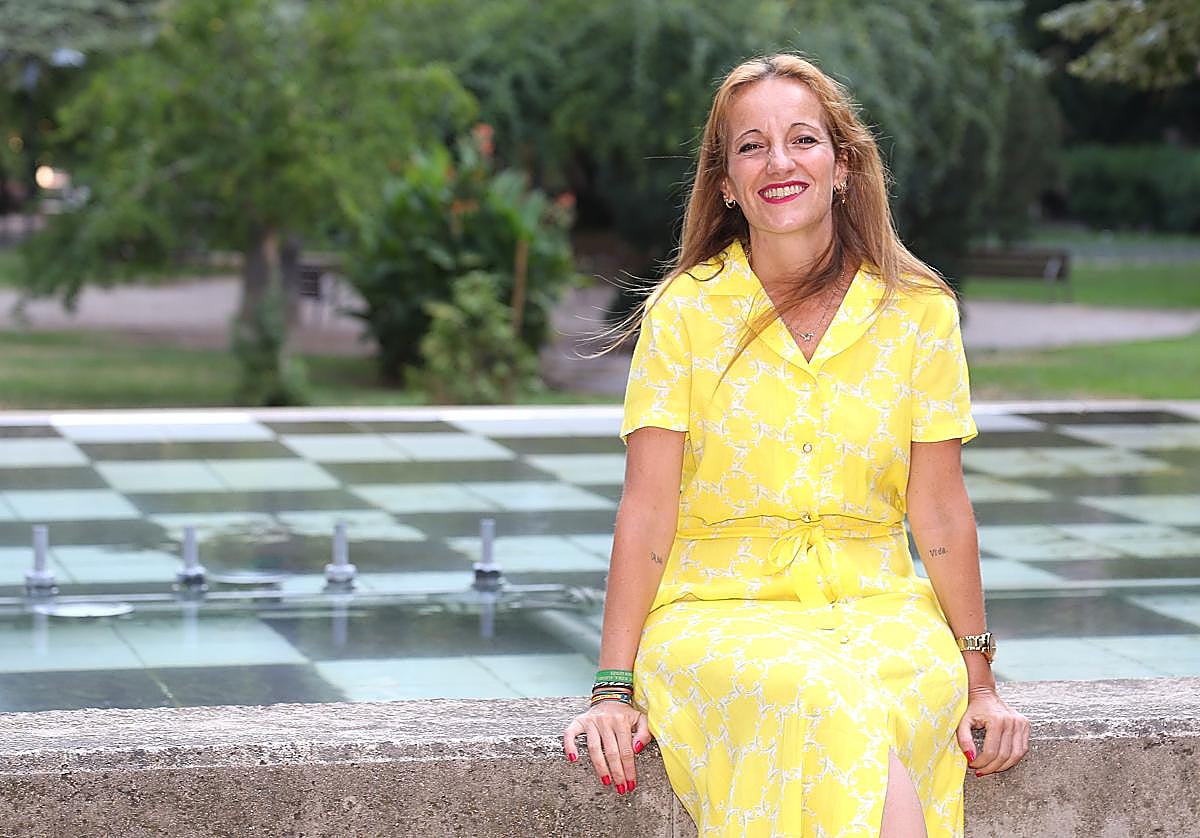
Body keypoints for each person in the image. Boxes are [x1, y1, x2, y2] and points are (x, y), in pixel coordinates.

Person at [561, 53, 1029, 837]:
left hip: (881, 613)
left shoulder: (919, 312)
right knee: (827, 699)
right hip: (717, 614)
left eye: (803, 139)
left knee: (881, 695)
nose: (779, 162)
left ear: (842, 165)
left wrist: (979, 680)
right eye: (751, 146)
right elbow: (647, 509)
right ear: (724, 183)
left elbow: (941, 510)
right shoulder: (683, 314)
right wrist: (613, 689)